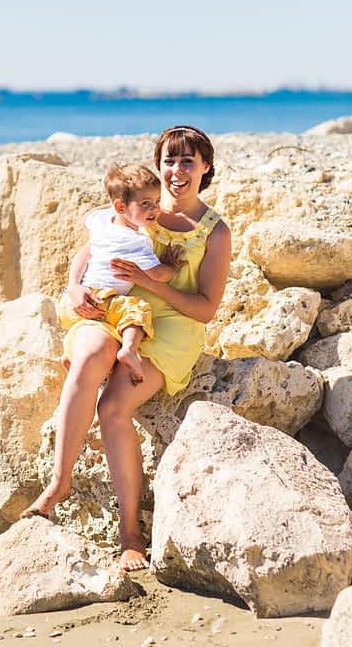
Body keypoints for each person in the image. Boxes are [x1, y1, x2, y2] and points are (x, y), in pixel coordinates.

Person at [21, 125, 231, 572]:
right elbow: (91, 251)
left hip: (173, 325)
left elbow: (206, 308)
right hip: (111, 307)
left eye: (188, 161)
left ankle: (130, 533)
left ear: (206, 168)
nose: (177, 171)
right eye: (169, 161)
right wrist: (74, 287)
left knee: (114, 405)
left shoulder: (213, 232)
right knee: (89, 359)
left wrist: (142, 280)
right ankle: (58, 485)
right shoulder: (135, 204)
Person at [57, 163, 185, 382]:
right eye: (145, 203)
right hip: (101, 300)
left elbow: (86, 220)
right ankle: (129, 350)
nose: (154, 209)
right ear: (121, 207)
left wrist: (73, 286)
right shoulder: (135, 241)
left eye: (156, 201)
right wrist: (172, 267)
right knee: (138, 310)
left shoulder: (101, 222)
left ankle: (71, 356)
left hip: (70, 302)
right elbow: (157, 275)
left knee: (100, 330)